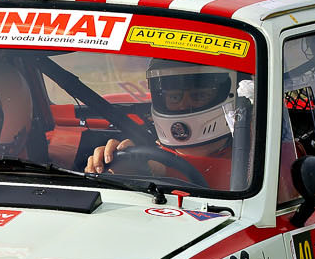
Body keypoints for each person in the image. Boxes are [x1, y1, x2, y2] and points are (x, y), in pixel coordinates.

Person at [83, 58, 241, 190]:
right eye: (174, 97)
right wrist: (107, 167)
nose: (183, 106)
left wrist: (159, 169)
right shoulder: (145, 152)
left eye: (199, 96)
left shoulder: (248, 156)